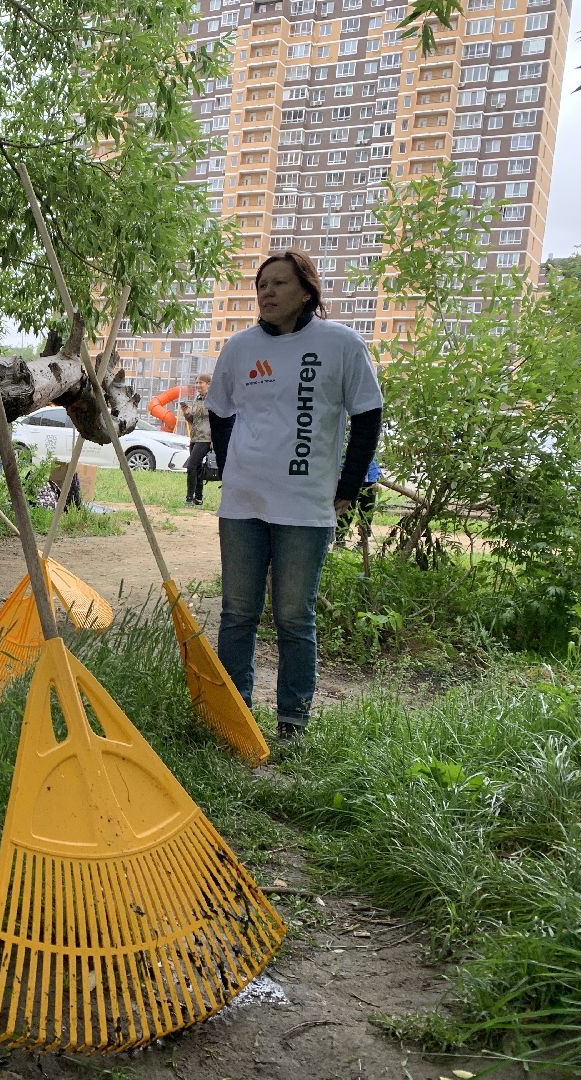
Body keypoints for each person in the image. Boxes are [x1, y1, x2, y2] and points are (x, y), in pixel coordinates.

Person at [206, 250, 383, 741]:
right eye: (261, 284)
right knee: (237, 613)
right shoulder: (239, 348)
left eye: (279, 283)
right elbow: (218, 410)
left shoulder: (341, 345)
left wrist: (348, 488)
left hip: (306, 505)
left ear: (307, 290)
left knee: (293, 616)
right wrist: (229, 465)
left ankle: (292, 722)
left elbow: (367, 415)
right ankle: (234, 714)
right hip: (242, 503)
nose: (267, 292)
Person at [179, 374, 213, 506]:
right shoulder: (197, 399)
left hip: (206, 438)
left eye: (201, 383)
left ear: (208, 384)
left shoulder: (213, 400)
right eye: (197, 383)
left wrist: (214, 439)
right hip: (195, 437)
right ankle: (198, 498)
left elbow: (216, 421)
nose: (198, 385)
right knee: (197, 468)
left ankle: (189, 499)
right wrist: (186, 413)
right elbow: (192, 420)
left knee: (191, 466)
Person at [335, 459, 381, 549]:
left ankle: (363, 541)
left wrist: (377, 477)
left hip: (370, 479)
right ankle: (339, 540)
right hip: (348, 478)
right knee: (345, 510)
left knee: (367, 512)